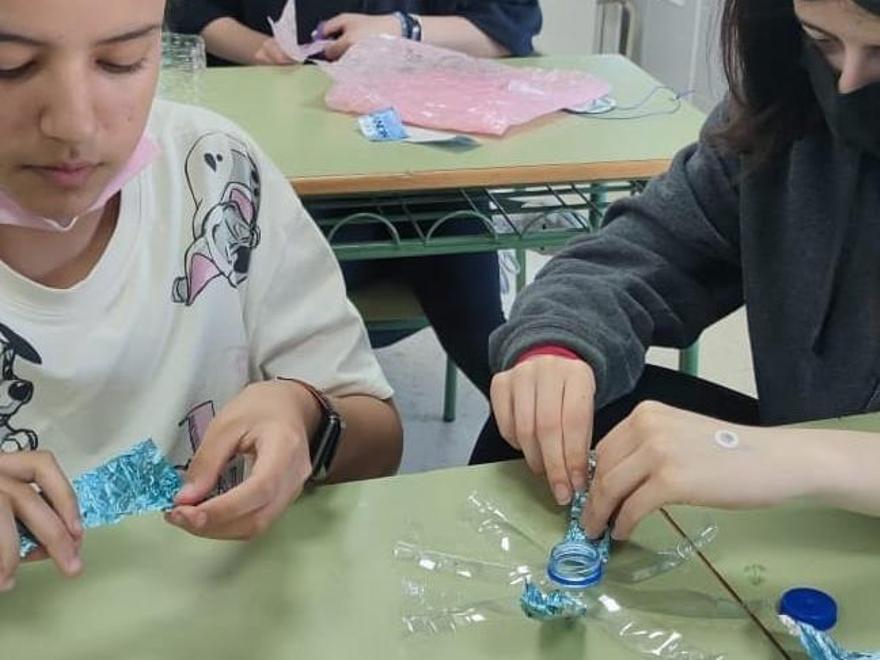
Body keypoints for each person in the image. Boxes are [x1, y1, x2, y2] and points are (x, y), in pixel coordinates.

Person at [0, 0, 403, 591]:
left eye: (122, 61)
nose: (74, 124)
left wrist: (304, 415)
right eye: (9, 66)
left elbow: (379, 437)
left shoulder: (216, 175)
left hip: (215, 609)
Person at [479, 0, 880, 540]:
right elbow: (650, 245)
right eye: (822, 39)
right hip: (812, 481)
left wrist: (809, 460)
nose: (848, 82)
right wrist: (559, 345)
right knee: (547, 425)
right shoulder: (791, 99)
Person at [167, 0, 543, 400]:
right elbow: (193, 12)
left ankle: (529, 421)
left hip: (427, 182)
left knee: (477, 322)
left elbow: (509, 28)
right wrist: (258, 49)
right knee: (262, 336)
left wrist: (400, 29)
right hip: (292, 186)